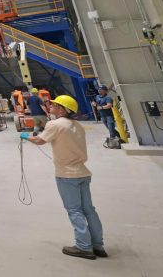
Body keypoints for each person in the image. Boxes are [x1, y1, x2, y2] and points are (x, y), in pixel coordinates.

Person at [21, 95, 106, 260]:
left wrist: (26, 137)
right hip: (82, 172)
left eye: (53, 104)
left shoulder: (55, 124)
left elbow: (39, 140)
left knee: (74, 210)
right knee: (89, 210)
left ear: (61, 109)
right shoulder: (77, 126)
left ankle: (83, 246)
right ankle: (98, 245)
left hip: (67, 174)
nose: (50, 106)